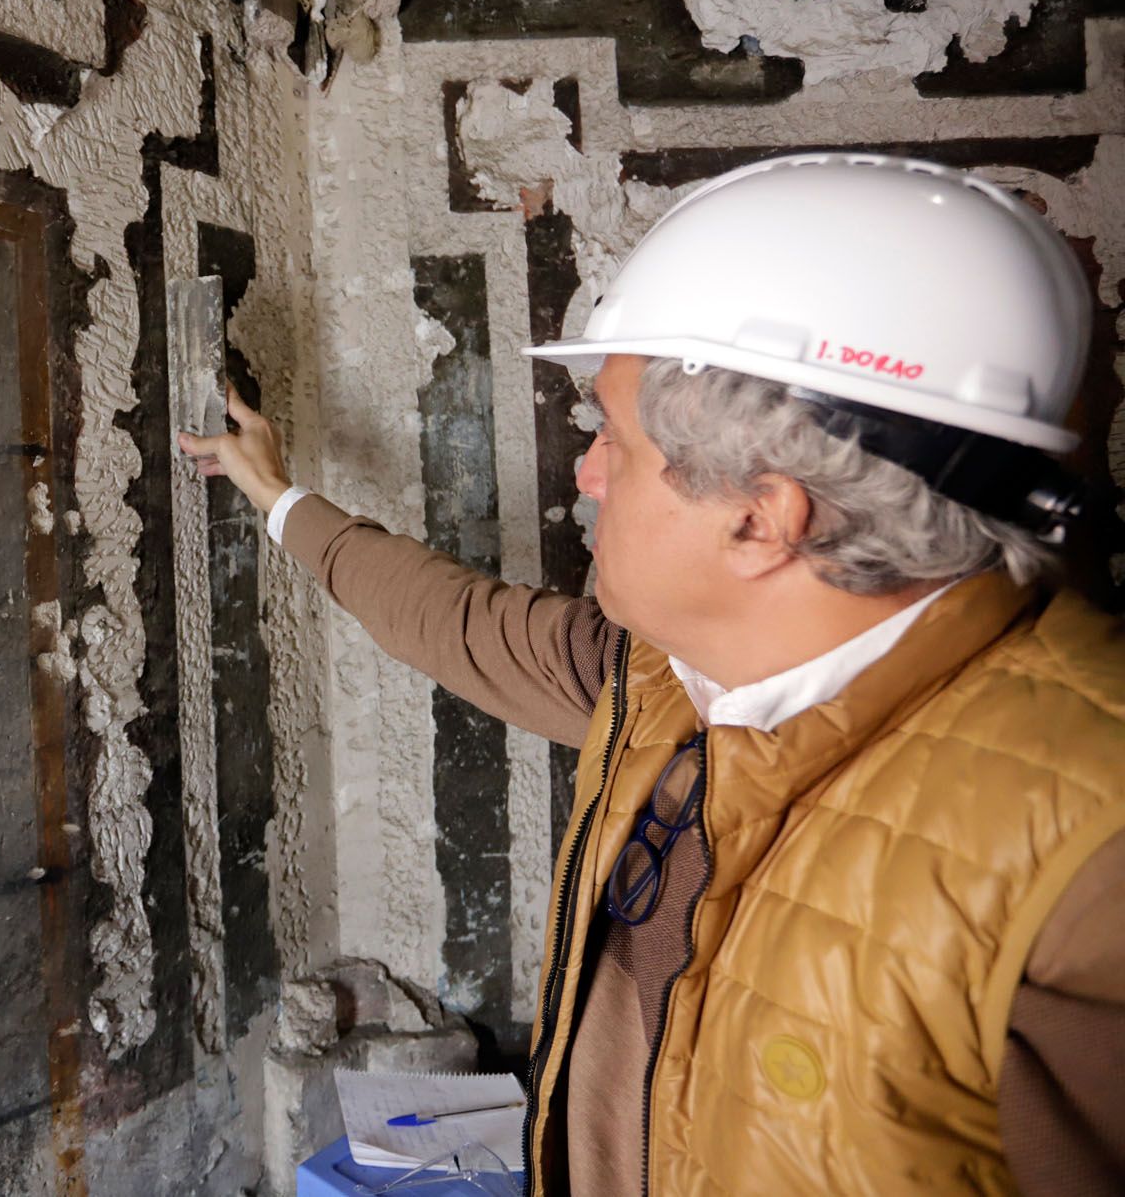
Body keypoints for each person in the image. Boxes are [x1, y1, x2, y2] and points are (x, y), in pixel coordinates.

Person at [180, 153, 1125, 1195]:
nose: (583, 472)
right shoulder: (670, 684)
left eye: (613, 442)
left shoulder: (1087, 857)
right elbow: (457, 622)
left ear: (759, 519)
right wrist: (274, 494)